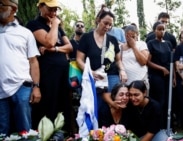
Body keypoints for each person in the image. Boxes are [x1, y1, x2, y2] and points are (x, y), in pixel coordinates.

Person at [26, 0, 73, 133]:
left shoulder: (57, 27)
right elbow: (50, 41)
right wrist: (55, 24)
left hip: (63, 73)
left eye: (55, 9)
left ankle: (64, 133)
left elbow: (69, 47)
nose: (53, 12)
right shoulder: (34, 24)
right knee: (48, 106)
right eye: (50, 9)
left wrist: (56, 50)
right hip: (47, 74)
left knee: (64, 106)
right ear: (41, 7)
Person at [0, 0, 41, 135]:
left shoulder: (25, 33)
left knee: (24, 131)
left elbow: (33, 62)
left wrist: (36, 87)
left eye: (1, 4)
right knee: (2, 130)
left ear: (13, 8)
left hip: (21, 87)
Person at [76, 7, 127, 110]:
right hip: (94, 77)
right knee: (96, 105)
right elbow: (79, 60)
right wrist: (90, 72)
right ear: (98, 20)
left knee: (114, 103)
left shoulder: (113, 39)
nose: (107, 27)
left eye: (110, 25)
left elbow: (118, 60)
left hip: (112, 75)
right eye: (105, 23)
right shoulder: (86, 37)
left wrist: (122, 70)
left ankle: (114, 126)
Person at [147, 21, 174, 129]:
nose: (162, 31)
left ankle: (169, 126)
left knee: (169, 101)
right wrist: (162, 68)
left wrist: (173, 77)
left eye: (163, 29)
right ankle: (159, 126)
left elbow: (172, 61)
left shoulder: (168, 43)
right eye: (159, 29)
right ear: (154, 31)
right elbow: (148, 62)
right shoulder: (151, 43)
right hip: (156, 77)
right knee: (160, 101)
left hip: (168, 76)